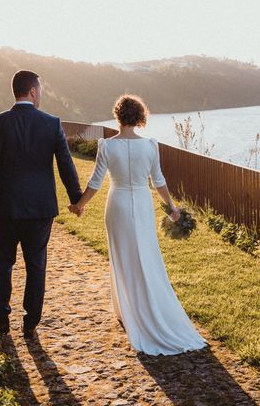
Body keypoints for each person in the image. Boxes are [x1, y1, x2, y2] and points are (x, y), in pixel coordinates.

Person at [70, 94, 207, 355]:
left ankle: (129, 310)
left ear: (118, 116)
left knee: (122, 256)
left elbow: (95, 183)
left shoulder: (107, 146)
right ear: (140, 116)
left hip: (118, 203)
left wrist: (80, 204)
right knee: (146, 253)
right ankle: (143, 308)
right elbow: (159, 181)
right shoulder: (151, 146)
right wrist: (172, 207)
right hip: (142, 203)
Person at [0, 70, 83, 338]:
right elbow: (65, 164)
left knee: (2, 262)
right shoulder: (51, 123)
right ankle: (31, 321)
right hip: (40, 209)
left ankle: (1, 317)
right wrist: (76, 199)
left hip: (4, 207)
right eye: (41, 90)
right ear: (33, 91)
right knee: (36, 264)